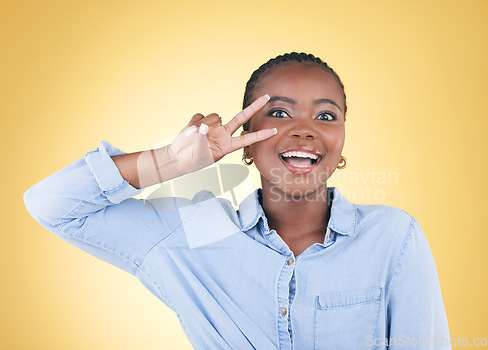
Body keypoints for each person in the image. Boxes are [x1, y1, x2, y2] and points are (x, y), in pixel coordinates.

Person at [24, 52, 451, 349]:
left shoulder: (393, 237)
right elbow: (51, 205)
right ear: (245, 144)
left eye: (325, 115)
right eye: (280, 113)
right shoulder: (189, 236)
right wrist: (168, 162)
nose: (304, 130)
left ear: (341, 141)